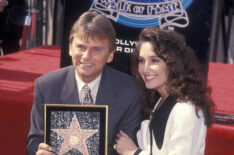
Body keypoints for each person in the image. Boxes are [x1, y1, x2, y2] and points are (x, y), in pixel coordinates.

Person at [27, 11, 141, 155]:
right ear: (70, 48)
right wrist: (39, 152)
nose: (86, 57)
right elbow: (34, 142)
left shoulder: (130, 91)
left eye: (96, 49)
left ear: (110, 54)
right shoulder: (46, 87)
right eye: (81, 47)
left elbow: (126, 149)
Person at [115, 27, 215, 155]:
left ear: (173, 63)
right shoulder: (159, 101)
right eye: (141, 61)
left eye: (154, 60)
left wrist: (133, 152)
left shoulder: (185, 110)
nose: (145, 69)